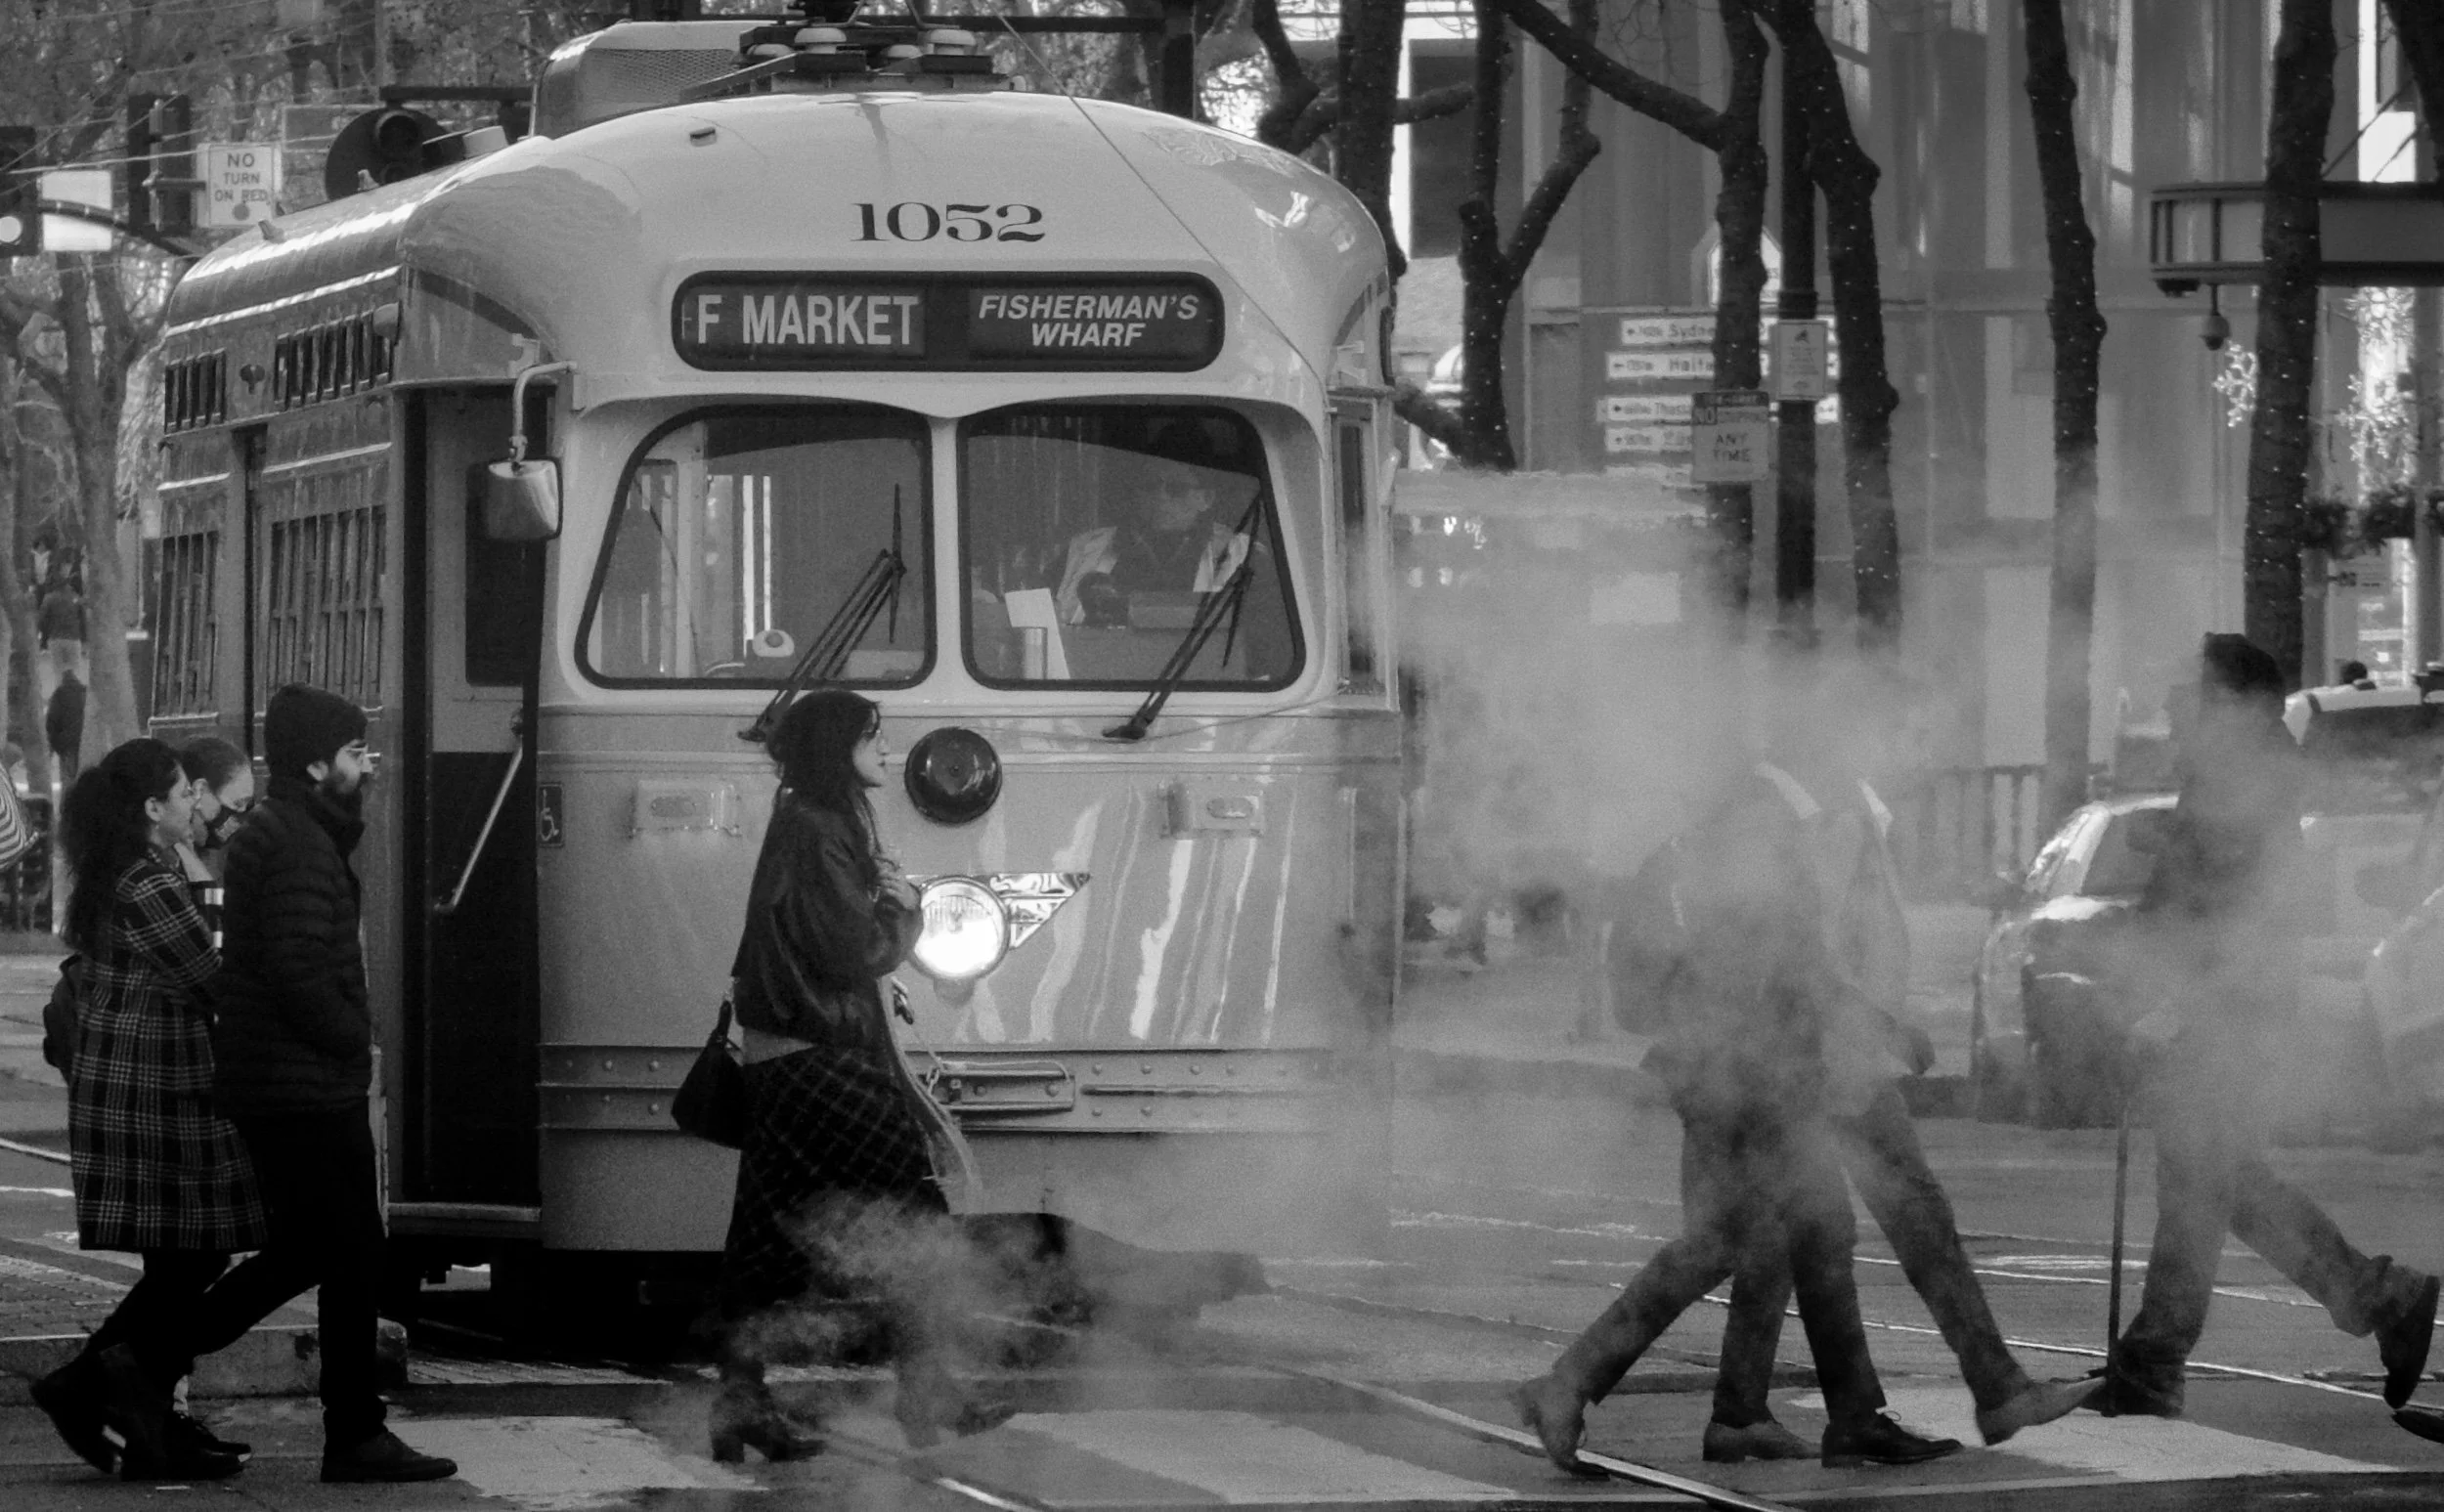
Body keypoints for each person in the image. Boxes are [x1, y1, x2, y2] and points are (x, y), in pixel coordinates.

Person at [1509, 765, 1962, 1473]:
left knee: (1761, 1239)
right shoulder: (1762, 853)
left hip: (1716, 1073)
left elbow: (1659, 987)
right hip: (1752, 1080)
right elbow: (1803, 970)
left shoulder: (1681, 856)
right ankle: (1574, 1384)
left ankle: (1774, 1416)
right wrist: (1885, 1027)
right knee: (1761, 1237)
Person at [1698, 756, 2093, 1459]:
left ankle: (1745, 1408)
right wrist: (1880, 1025)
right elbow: (1810, 951)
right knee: (1901, 1216)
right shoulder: (1804, 811)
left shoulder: (1845, 798)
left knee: (1800, 1233)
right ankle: (1990, 1388)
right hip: (1834, 1052)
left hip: (1837, 1049)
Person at [2089, 635, 2439, 1419]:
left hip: (2223, 1008)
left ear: (2239, 704)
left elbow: (2229, 912)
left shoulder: (2241, 779)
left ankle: (2153, 1364)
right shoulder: (2234, 774)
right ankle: (2381, 1296)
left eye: (2202, 694)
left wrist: (2168, 1008)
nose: (2187, 707)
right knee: (2224, 1185)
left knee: (2199, 1186)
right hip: (2226, 1005)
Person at [116, 685, 454, 1483]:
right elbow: (301, 971)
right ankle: (348, 1431)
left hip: (284, 1081)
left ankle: (141, 1364)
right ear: (314, 762)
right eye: (353, 752)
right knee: (346, 1247)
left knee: (323, 1248)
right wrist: (355, 1040)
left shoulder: (295, 831)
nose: (367, 767)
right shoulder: (300, 841)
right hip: (299, 1084)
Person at [715, 688, 1007, 1461]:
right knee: (919, 1213)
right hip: (823, 1058)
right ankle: (926, 1387)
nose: (884, 750)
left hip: (787, 1055)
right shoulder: (820, 828)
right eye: (871, 738)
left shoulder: (809, 820)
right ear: (835, 747)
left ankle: (739, 1398)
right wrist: (902, 907)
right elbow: (852, 952)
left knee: (764, 1235)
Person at [29, 739, 263, 1481]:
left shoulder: (126, 872)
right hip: (156, 1093)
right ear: (151, 809)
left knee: (182, 1257)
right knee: (191, 1256)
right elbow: (211, 975)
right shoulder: (147, 881)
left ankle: (145, 1416)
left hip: (139, 1089)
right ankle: (86, 1384)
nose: (197, 802)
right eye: (182, 794)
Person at [48, 668, 87, 780]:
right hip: (84, 738)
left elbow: (52, 720)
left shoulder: (59, 694)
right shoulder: (85, 692)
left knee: (72, 774)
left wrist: (54, 744)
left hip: (67, 742)